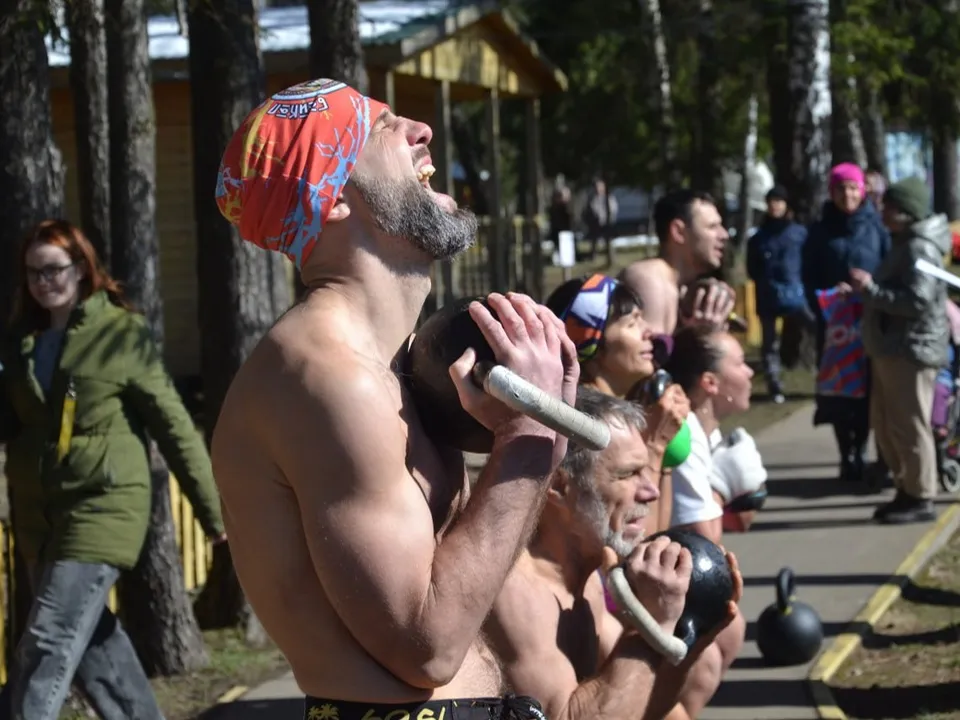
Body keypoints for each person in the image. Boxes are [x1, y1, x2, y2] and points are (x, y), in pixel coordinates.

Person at [209, 78, 578, 720]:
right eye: (381, 129)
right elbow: (425, 647)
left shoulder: (392, 364)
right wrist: (528, 442)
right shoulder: (328, 378)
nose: (421, 130)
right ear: (329, 201)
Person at [0, 220, 226, 720]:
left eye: (54, 269)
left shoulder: (119, 332)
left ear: (81, 269)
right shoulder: (21, 343)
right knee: (92, 644)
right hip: (42, 516)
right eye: (34, 272)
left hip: (104, 505)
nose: (44, 281)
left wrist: (214, 512)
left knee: (47, 641)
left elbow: (173, 425)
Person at [485, 387, 744, 720]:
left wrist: (687, 634)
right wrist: (652, 628)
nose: (651, 492)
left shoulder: (588, 580)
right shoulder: (517, 590)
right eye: (628, 474)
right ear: (560, 487)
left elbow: (644, 710)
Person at [544, 273, 689, 536]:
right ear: (592, 344)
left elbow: (657, 532)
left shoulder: (634, 408)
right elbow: (635, 542)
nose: (650, 333)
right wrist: (655, 446)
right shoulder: (587, 429)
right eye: (632, 322)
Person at [854, 176, 950, 524]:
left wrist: (871, 290)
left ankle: (920, 495)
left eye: (890, 207)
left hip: (910, 349)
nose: (883, 212)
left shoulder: (918, 247)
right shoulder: (905, 242)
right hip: (895, 346)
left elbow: (919, 301)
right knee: (891, 424)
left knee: (910, 425)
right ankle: (906, 489)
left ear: (906, 212)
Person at [802, 163, 890, 484]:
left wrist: (870, 289)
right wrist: (825, 298)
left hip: (870, 323)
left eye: (853, 188)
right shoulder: (819, 230)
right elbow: (807, 275)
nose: (848, 194)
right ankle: (846, 455)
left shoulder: (876, 226)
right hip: (835, 328)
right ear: (832, 192)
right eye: (841, 188)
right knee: (838, 394)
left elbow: (888, 265)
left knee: (867, 390)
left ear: (862, 191)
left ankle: (863, 450)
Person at [664, 326, 765, 539]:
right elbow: (705, 542)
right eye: (739, 363)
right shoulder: (685, 435)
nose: (750, 372)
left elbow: (739, 522)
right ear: (710, 382)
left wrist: (745, 493)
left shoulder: (711, 434)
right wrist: (720, 489)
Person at [619, 189, 735, 337]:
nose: (724, 235)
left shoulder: (682, 288)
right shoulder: (651, 279)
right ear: (678, 232)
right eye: (712, 227)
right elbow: (649, 359)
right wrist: (702, 337)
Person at [747, 184, 814, 403]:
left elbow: (809, 263)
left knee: (817, 329)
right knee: (769, 343)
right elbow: (752, 268)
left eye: (779, 201)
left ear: (786, 205)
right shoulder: (759, 238)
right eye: (771, 202)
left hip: (797, 294)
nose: (775, 206)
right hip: (768, 295)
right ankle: (774, 385)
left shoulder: (799, 234)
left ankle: (824, 374)